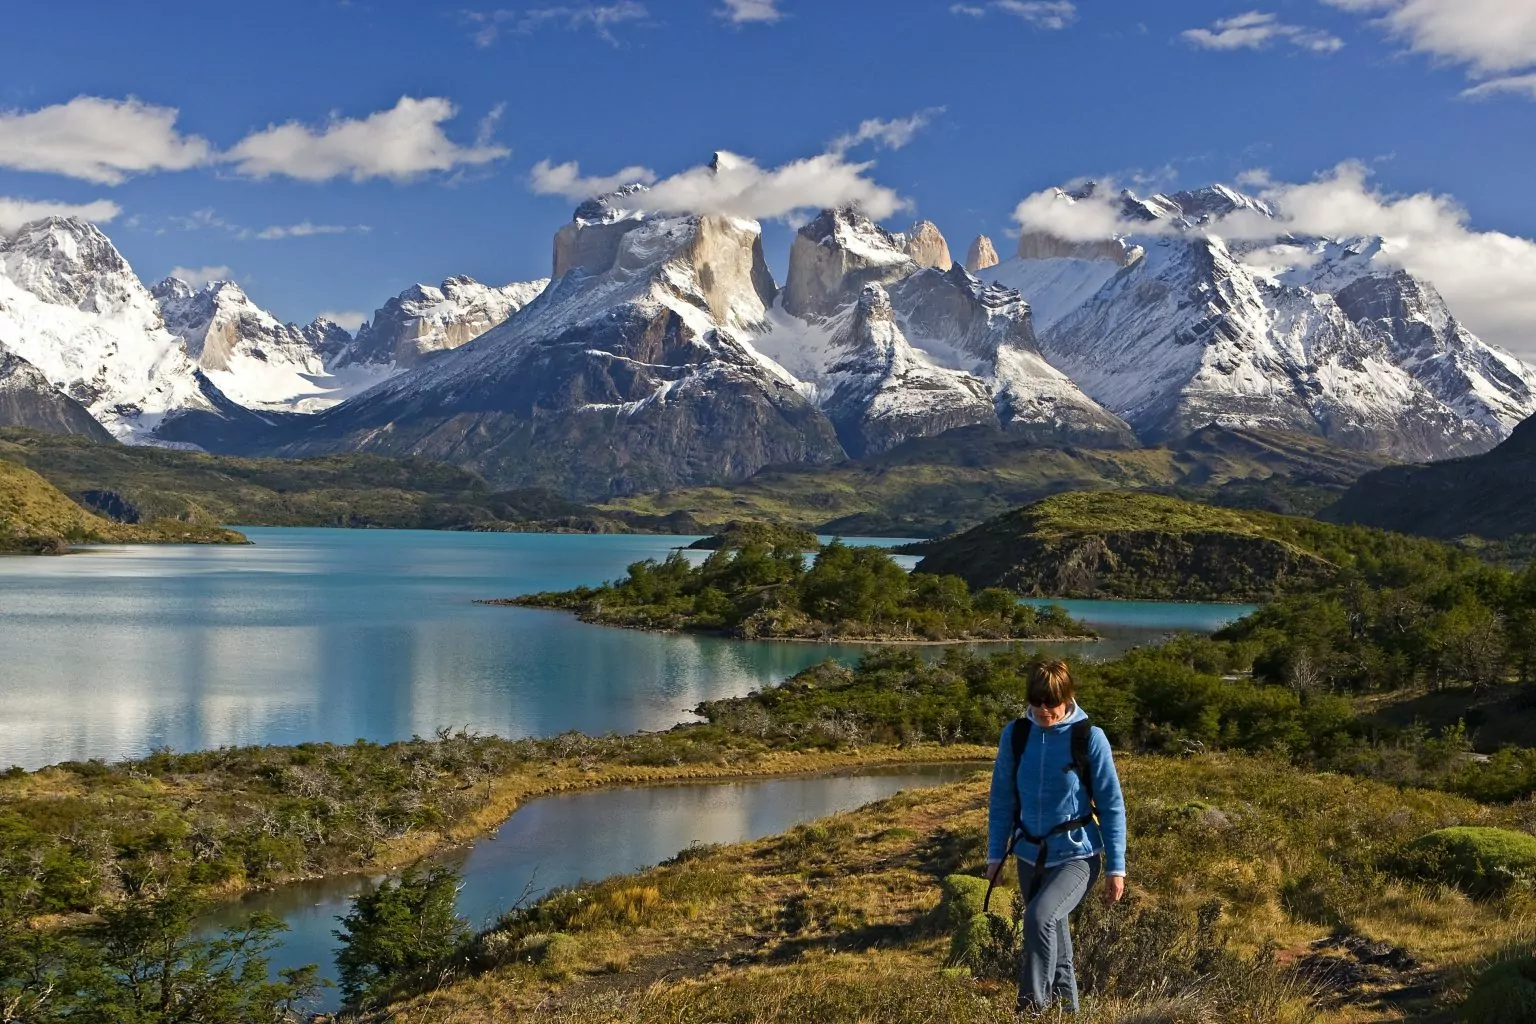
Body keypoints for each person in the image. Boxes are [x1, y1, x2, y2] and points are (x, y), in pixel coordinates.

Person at [987, 659, 1126, 1015]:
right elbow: (1002, 798)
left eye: (1051, 701)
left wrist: (1116, 868)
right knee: (1058, 947)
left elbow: (1111, 804)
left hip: (1077, 856)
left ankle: (1030, 1012)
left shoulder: (1088, 737)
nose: (1044, 709)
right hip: (1029, 857)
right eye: (1036, 700)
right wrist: (994, 855)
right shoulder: (1016, 735)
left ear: (1068, 696)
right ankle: (1068, 1015)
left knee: (1038, 919)